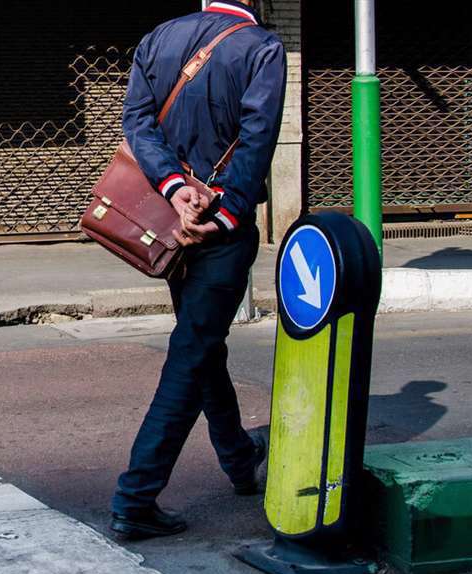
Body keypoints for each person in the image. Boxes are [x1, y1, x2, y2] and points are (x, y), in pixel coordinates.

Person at [110, 0, 287, 539]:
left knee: (201, 343)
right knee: (191, 352)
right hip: (219, 232)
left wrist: (174, 189)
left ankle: (237, 458)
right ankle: (135, 498)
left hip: (170, 221)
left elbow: (137, 124)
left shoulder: (158, 36)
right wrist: (225, 209)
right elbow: (258, 139)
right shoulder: (263, 48)